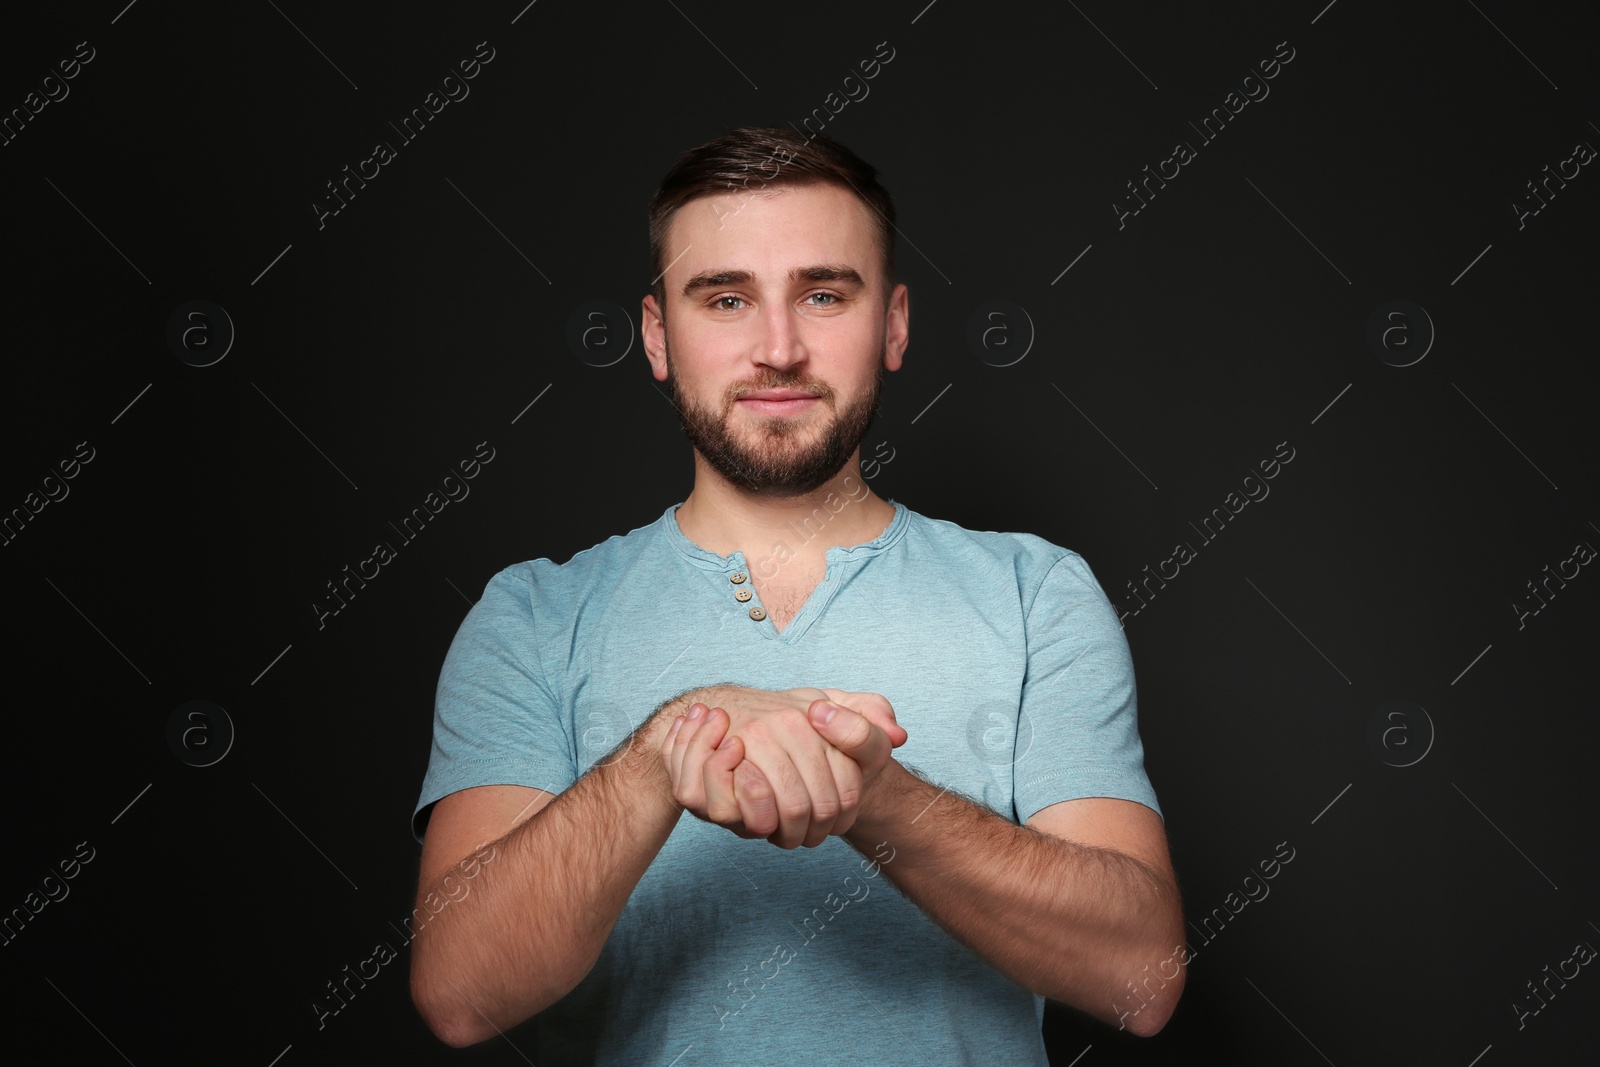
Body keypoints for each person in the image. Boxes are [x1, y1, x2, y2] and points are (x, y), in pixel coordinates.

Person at [408, 126, 1185, 1063]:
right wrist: (665, 751)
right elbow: (458, 993)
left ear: (893, 325)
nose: (778, 349)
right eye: (726, 298)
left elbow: (1144, 982)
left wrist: (882, 801)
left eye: (823, 294)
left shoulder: (1038, 597)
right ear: (658, 335)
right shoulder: (530, 618)